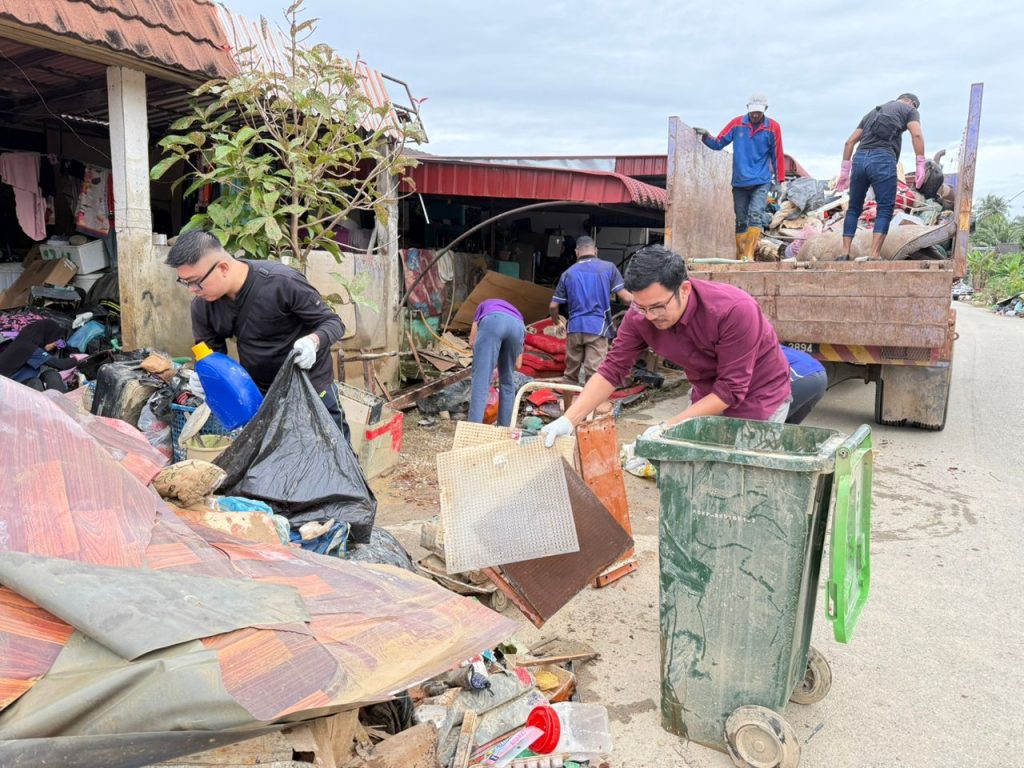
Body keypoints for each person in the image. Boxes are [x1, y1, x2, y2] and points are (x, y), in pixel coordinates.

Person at [542, 245, 791, 446]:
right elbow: (612, 370)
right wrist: (569, 419)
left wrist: (666, 427)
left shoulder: (734, 310)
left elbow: (731, 391)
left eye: (658, 306)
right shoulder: (639, 315)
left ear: (684, 289)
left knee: (743, 482)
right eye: (642, 306)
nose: (650, 316)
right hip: (707, 396)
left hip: (759, 396)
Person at [165, 230, 352, 443]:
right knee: (277, 464)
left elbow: (333, 323)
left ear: (223, 268)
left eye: (196, 281)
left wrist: (313, 341)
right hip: (261, 395)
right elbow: (211, 357)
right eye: (185, 282)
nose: (191, 290)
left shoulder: (281, 282)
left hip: (311, 386)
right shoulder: (202, 307)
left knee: (335, 455)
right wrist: (207, 380)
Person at [694, 93, 786, 262]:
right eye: (752, 112)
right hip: (740, 181)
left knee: (755, 215)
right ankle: (741, 254)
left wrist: (780, 181)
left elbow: (777, 154)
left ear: (765, 109)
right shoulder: (737, 124)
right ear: (747, 109)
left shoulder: (773, 127)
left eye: (758, 112)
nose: (755, 115)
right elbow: (719, 143)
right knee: (741, 219)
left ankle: (749, 255)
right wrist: (706, 136)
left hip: (761, 180)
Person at [834, 93, 926, 262]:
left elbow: (849, 142)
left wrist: (845, 171)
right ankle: (874, 254)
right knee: (884, 207)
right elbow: (917, 135)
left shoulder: (872, 112)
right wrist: (920, 162)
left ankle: (844, 253)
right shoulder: (910, 110)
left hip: (860, 159)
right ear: (912, 103)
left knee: (854, 207)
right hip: (883, 159)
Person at [549, 236, 633, 384]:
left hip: (574, 328)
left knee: (569, 376)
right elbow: (626, 298)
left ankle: (569, 407)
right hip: (597, 328)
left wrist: (556, 322)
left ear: (576, 252)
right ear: (596, 251)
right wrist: (647, 305)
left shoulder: (568, 273)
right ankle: (590, 407)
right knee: (594, 375)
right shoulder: (608, 268)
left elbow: (553, 306)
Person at [468, 298, 525, 426]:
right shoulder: (518, 317)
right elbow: (518, 364)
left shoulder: (483, 305)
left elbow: (472, 342)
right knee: (507, 381)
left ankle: (473, 428)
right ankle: (504, 429)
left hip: (493, 321)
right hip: (518, 327)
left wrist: (486, 362)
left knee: (481, 379)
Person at [0, 319, 76, 392]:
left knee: (45, 376)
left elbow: (58, 344)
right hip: (5, 388)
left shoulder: (21, 340)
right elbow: (61, 365)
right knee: (43, 378)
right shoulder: (30, 349)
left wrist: (56, 344)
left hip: (9, 382)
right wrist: (77, 359)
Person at [782, 346, 827, 424]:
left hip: (801, 378)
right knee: (788, 427)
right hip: (821, 374)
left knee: (764, 423)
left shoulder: (759, 349)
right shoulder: (770, 343)